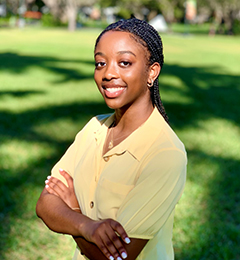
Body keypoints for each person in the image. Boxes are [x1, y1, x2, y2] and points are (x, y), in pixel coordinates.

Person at [36, 18, 187, 260]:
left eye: (124, 62)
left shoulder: (165, 154)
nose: (108, 73)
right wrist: (88, 226)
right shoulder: (94, 128)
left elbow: (117, 256)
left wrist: (73, 211)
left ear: (152, 72)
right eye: (100, 63)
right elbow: (45, 204)